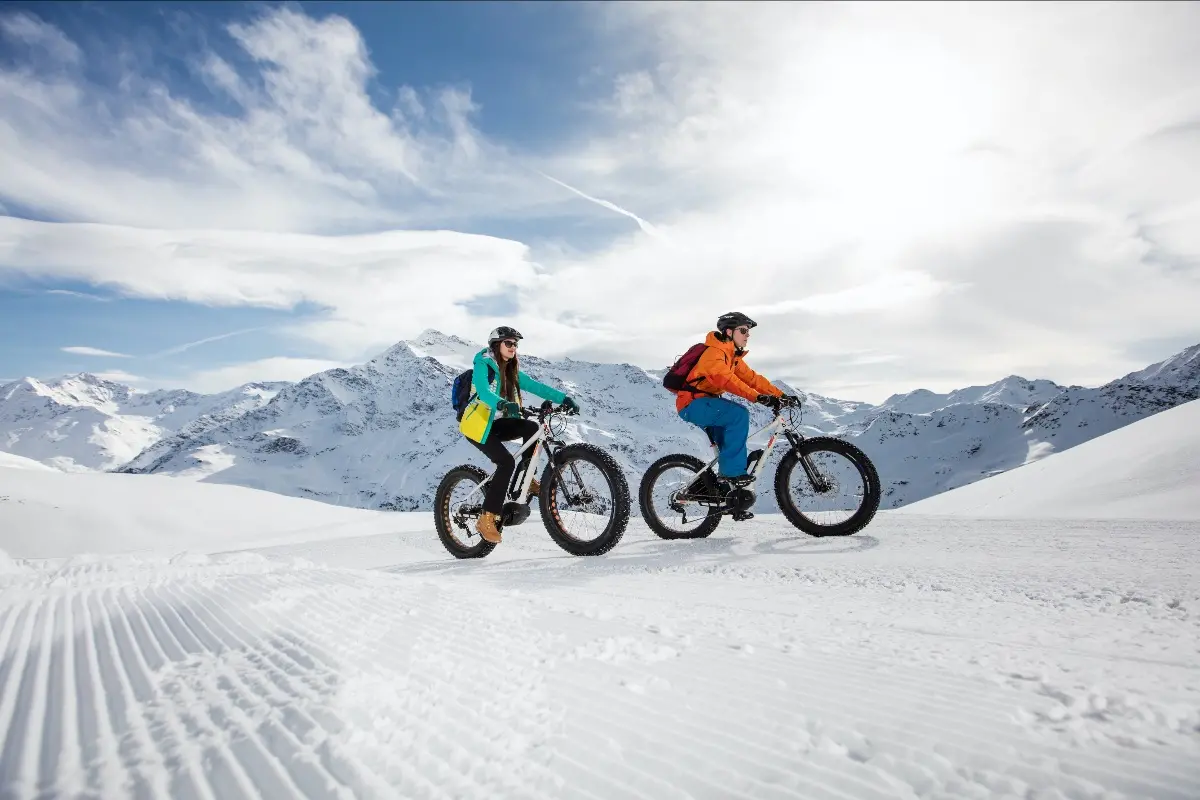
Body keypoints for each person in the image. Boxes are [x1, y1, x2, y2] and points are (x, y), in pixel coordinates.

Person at [464, 326, 580, 544]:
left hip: (499, 423)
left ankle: (526, 476)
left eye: (516, 344)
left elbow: (536, 387)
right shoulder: (483, 364)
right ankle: (486, 518)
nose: (513, 347)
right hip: (478, 425)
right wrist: (502, 403)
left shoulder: (512, 370)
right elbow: (482, 391)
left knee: (532, 428)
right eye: (509, 343)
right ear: (496, 345)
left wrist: (563, 398)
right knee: (506, 463)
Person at [674, 311, 798, 487]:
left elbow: (753, 379)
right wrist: (757, 397)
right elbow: (726, 380)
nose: (748, 335)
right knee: (738, 415)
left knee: (728, 444)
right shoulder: (714, 353)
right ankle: (732, 474)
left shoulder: (732, 358)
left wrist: (780, 395)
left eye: (748, 331)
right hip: (692, 403)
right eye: (743, 330)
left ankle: (726, 493)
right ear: (729, 332)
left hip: (707, 404)